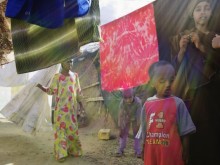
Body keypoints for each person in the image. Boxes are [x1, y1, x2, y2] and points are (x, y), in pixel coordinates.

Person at [170, 1, 220, 164]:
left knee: (213, 135)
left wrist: (203, 46)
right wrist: (182, 51)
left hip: (213, 95)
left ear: (211, 13)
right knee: (195, 136)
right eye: (198, 9)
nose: (203, 12)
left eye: (207, 8)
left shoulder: (216, 37)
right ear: (192, 14)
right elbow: (176, 70)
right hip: (192, 96)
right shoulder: (183, 37)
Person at [141, 61, 196, 165]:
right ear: (152, 82)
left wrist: (186, 150)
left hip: (171, 154)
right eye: (162, 80)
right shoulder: (147, 104)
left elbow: (185, 131)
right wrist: (144, 147)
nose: (168, 84)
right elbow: (145, 130)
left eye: (171, 80)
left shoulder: (178, 103)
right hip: (152, 152)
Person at [36, 60, 84, 162]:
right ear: (62, 63)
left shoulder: (75, 76)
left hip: (71, 110)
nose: (70, 64)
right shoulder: (57, 77)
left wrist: (81, 106)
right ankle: (61, 154)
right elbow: (50, 91)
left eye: (71, 62)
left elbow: (78, 92)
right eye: (68, 62)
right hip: (60, 111)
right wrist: (40, 86)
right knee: (60, 132)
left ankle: (74, 151)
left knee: (73, 131)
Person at [116, 88, 142, 158]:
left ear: (133, 95)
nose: (128, 100)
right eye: (125, 98)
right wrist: (120, 126)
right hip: (126, 117)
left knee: (137, 134)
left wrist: (138, 126)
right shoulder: (122, 103)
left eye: (130, 97)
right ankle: (120, 150)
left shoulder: (138, 102)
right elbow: (120, 115)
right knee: (123, 134)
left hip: (135, 118)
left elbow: (139, 116)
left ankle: (138, 151)